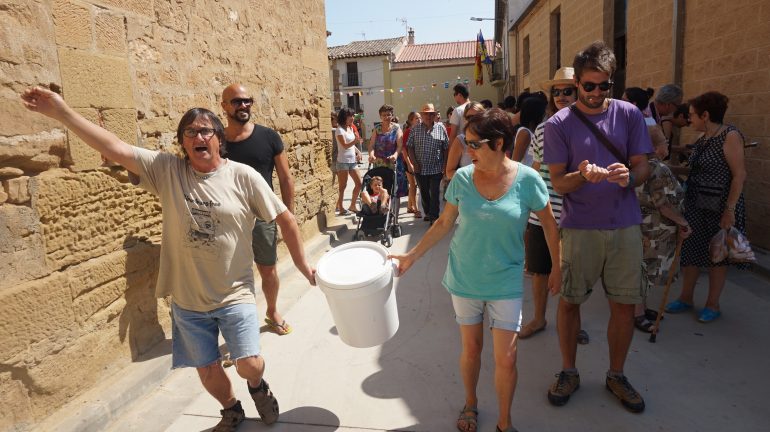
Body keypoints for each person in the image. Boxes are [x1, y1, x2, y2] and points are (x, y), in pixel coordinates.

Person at [21, 86, 316, 431]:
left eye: (206, 130)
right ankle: (231, 409)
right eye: (190, 132)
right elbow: (113, 148)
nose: (198, 136)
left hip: (233, 293)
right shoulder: (167, 170)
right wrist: (61, 112)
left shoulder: (243, 176)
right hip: (188, 300)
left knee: (249, 363)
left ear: (219, 139)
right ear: (183, 143)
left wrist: (302, 265)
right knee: (206, 369)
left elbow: (286, 219)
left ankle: (257, 387)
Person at [390, 108, 559, 432]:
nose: (467, 150)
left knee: (507, 358)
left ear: (498, 143)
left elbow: (549, 225)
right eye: (465, 142)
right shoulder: (464, 179)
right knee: (471, 349)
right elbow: (443, 223)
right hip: (465, 277)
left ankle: (505, 422)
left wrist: (557, 269)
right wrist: (411, 255)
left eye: (474, 144)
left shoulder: (528, 180)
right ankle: (471, 403)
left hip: (506, 280)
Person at [543, 41, 651, 413]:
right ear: (576, 85)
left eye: (603, 86)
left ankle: (616, 375)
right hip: (580, 228)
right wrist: (583, 175)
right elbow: (557, 183)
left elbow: (643, 167)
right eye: (588, 86)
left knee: (624, 305)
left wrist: (628, 178)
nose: (595, 93)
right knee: (571, 302)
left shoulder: (629, 114)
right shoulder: (558, 124)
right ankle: (568, 371)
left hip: (624, 226)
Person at [665, 91, 748, 323]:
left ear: (706, 115)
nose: (689, 119)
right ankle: (686, 298)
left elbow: (739, 175)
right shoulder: (703, 139)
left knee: (717, 256)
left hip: (721, 206)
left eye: (692, 115)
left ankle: (713, 304)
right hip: (696, 204)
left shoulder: (730, 136)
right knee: (691, 252)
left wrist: (729, 210)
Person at [519, 67, 588, 345]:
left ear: (578, 91)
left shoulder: (588, 129)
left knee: (573, 275)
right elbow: (535, 169)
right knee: (539, 271)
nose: (561, 96)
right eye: (556, 91)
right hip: (542, 214)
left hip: (576, 214)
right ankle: (539, 317)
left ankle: (573, 323)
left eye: (566, 90)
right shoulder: (542, 129)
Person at [220, 84, 295, 336]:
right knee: (232, 277)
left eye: (247, 101)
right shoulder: (216, 140)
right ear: (224, 106)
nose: (243, 106)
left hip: (263, 216)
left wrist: (288, 217)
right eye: (236, 102)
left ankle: (272, 311)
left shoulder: (269, 137)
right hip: (228, 219)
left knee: (268, 268)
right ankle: (238, 331)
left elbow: (285, 179)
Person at [623, 86, 692, 332]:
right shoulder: (655, 168)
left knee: (642, 270)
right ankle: (638, 314)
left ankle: (639, 309)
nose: (666, 147)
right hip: (653, 230)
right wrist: (682, 222)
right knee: (644, 271)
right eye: (663, 142)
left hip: (643, 227)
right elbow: (663, 204)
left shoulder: (638, 166)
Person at [406, 103, 449, 223]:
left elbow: (446, 148)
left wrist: (444, 166)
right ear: (422, 115)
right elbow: (410, 147)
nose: (429, 116)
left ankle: (434, 217)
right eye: (426, 114)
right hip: (420, 169)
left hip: (436, 167)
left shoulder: (441, 128)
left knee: (435, 193)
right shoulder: (415, 129)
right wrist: (414, 163)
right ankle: (428, 212)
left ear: (435, 115)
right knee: (424, 193)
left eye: (431, 114)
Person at [367, 104, 407, 202]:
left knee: (393, 187)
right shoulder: (377, 129)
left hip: (392, 162)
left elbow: (399, 145)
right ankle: (381, 205)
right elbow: (371, 145)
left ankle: (391, 204)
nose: (386, 117)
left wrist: (395, 155)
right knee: (379, 185)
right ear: (380, 116)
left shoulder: (396, 128)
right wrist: (371, 154)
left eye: (389, 115)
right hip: (379, 162)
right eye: (384, 115)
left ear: (392, 116)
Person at [445, 101, 485, 180]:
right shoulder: (460, 141)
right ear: (464, 120)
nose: (472, 120)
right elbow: (449, 172)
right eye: (469, 117)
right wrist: (471, 178)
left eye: (476, 117)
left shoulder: (491, 139)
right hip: (468, 189)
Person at [335, 107, 363, 215]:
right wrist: (355, 141)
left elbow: (351, 145)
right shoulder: (339, 130)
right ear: (343, 117)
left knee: (359, 183)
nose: (352, 118)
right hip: (342, 161)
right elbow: (345, 145)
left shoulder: (350, 128)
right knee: (343, 186)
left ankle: (352, 205)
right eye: (349, 116)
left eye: (352, 116)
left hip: (352, 161)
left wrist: (358, 152)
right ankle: (341, 207)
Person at [511, 97, 546, 166]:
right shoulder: (525, 133)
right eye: (543, 112)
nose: (545, 114)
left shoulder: (535, 131)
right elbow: (515, 161)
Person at [402, 112, 422, 218]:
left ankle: (409, 206)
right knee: (413, 184)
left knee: (413, 185)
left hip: (417, 162)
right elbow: (404, 149)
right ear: (411, 121)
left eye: (419, 118)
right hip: (408, 162)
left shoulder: (419, 131)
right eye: (416, 118)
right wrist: (409, 163)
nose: (419, 120)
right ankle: (416, 208)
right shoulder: (408, 131)